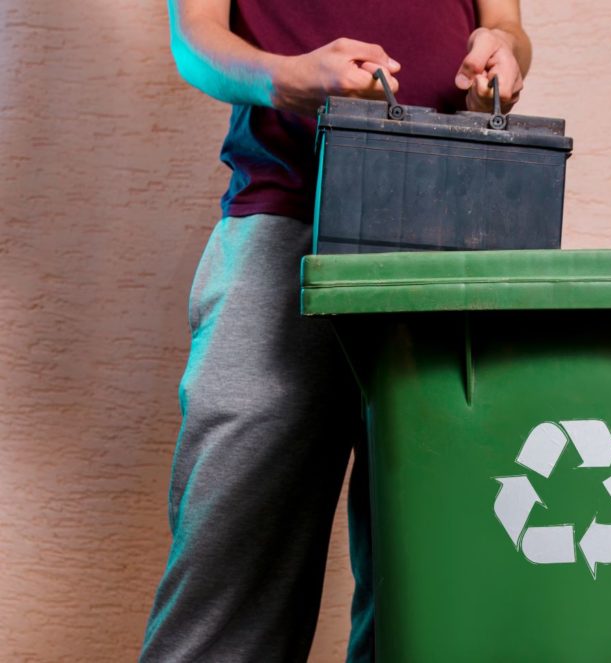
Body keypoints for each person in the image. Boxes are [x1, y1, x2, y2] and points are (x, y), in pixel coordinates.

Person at [140, 1, 531, 660]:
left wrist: (506, 49)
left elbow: (510, 25)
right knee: (230, 578)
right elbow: (194, 38)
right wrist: (280, 78)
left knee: (429, 591)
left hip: (448, 236)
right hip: (288, 223)